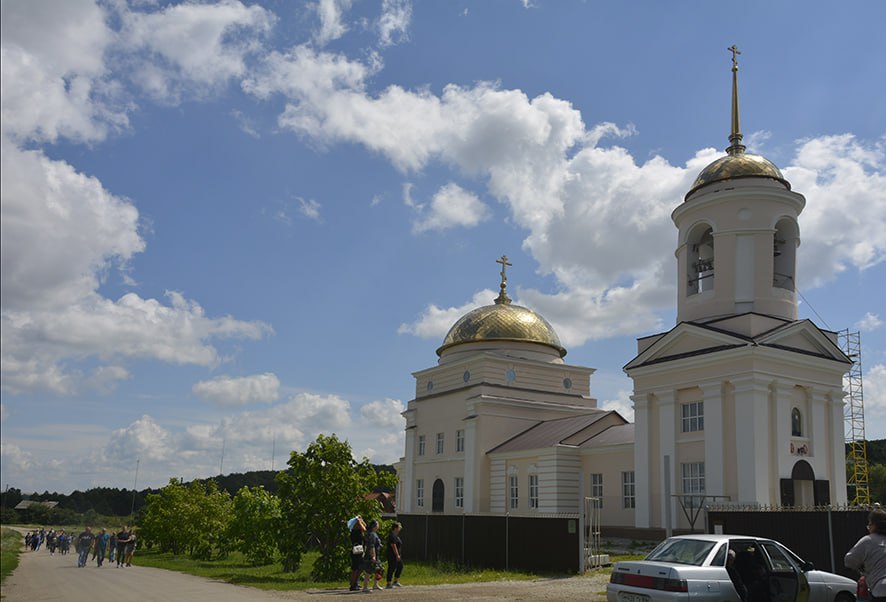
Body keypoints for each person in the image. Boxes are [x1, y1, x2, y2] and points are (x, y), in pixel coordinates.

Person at [845, 508, 886, 600]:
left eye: (869, 524)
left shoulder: (868, 541)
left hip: (881, 590)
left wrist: (860, 566)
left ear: (874, 525)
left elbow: (849, 561)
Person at [362, 520, 382, 593]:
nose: (378, 526)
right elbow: (371, 546)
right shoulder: (372, 534)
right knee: (368, 571)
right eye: (377, 524)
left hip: (377, 554)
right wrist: (373, 556)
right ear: (374, 526)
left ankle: (376, 584)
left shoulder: (374, 533)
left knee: (378, 569)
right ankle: (365, 587)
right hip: (371, 555)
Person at [349, 516, 367, 591]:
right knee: (356, 568)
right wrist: (358, 521)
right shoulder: (354, 531)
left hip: (359, 549)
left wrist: (361, 519)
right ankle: (353, 584)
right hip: (356, 550)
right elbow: (364, 529)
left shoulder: (358, 531)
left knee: (360, 567)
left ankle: (355, 582)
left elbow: (365, 526)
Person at [384, 522, 404, 589]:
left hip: (397, 555)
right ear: (395, 528)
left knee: (400, 566)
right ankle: (388, 583)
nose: (400, 529)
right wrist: (397, 555)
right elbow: (393, 545)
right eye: (399, 527)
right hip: (392, 555)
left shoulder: (396, 536)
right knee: (391, 568)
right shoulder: (392, 535)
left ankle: (395, 581)